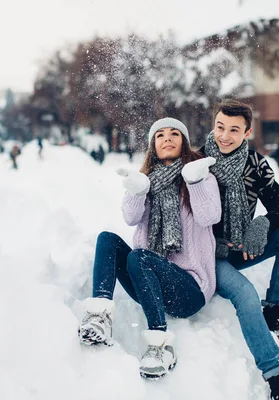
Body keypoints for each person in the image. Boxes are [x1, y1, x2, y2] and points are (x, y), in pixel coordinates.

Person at [77, 118, 221, 380]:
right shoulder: (145, 181)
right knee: (107, 239)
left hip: (189, 289)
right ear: (153, 145)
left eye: (174, 134)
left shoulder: (201, 176)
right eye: (160, 135)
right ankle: (99, 316)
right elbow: (131, 218)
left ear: (184, 142)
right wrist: (137, 191)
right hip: (148, 281)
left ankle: (161, 347)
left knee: (140, 258)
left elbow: (209, 216)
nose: (167, 138)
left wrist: (195, 183)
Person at [200, 99, 279, 400]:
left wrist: (263, 223)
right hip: (210, 255)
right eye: (220, 126)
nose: (224, 135)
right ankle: (276, 376)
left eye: (234, 130)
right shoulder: (197, 163)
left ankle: (274, 308)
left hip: (245, 246)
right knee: (245, 294)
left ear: (246, 133)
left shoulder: (256, 164)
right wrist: (214, 242)